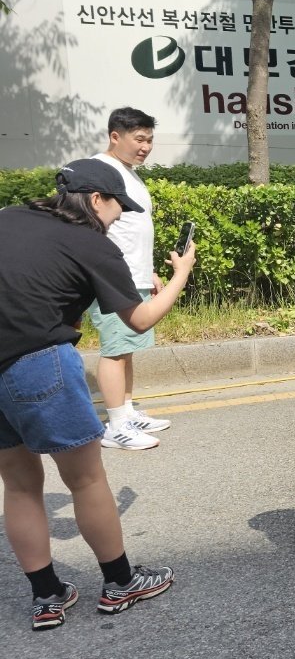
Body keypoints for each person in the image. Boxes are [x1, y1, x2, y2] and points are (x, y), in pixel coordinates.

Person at [0, 159, 194, 630]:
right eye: (117, 207)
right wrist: (180, 276)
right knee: (85, 480)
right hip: (38, 361)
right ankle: (121, 582)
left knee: (19, 485)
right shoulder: (91, 242)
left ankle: (47, 596)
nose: (118, 217)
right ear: (94, 199)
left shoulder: (9, 216)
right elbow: (139, 320)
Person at [86, 108, 168, 451]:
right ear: (115, 136)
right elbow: (91, 227)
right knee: (115, 349)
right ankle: (117, 425)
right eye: (139, 139)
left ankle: (128, 412)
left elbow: (132, 230)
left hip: (134, 274)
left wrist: (148, 270)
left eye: (149, 140)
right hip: (112, 277)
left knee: (128, 347)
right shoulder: (99, 171)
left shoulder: (129, 173)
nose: (145, 147)